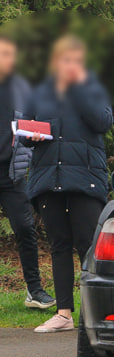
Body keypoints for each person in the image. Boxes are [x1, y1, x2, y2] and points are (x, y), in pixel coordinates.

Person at [26, 35, 113, 333]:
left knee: (88, 246)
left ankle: (95, 313)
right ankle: (64, 314)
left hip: (85, 180)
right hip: (48, 178)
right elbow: (25, 126)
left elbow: (103, 122)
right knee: (59, 245)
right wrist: (31, 135)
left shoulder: (93, 88)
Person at [0, 34, 55, 310]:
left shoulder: (23, 88)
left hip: (11, 174)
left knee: (25, 229)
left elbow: (35, 123)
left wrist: (33, 139)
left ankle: (35, 291)